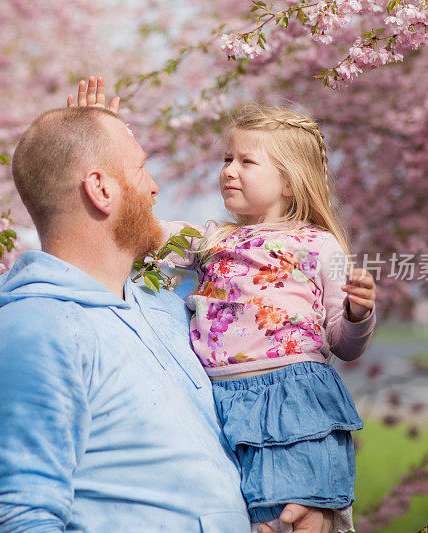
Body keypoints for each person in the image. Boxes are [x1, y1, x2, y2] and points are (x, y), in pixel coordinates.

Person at [0, 88, 344, 531]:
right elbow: (24, 520)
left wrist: (305, 502)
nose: (156, 187)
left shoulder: (164, 311)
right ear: (101, 189)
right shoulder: (27, 333)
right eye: (141, 169)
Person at [153, 103, 378, 532]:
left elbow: (343, 345)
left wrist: (357, 313)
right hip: (219, 401)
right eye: (227, 159)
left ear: (290, 184)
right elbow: (145, 231)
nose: (229, 171)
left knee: (289, 519)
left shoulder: (317, 245)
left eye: (246, 161)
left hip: (293, 402)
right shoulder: (211, 239)